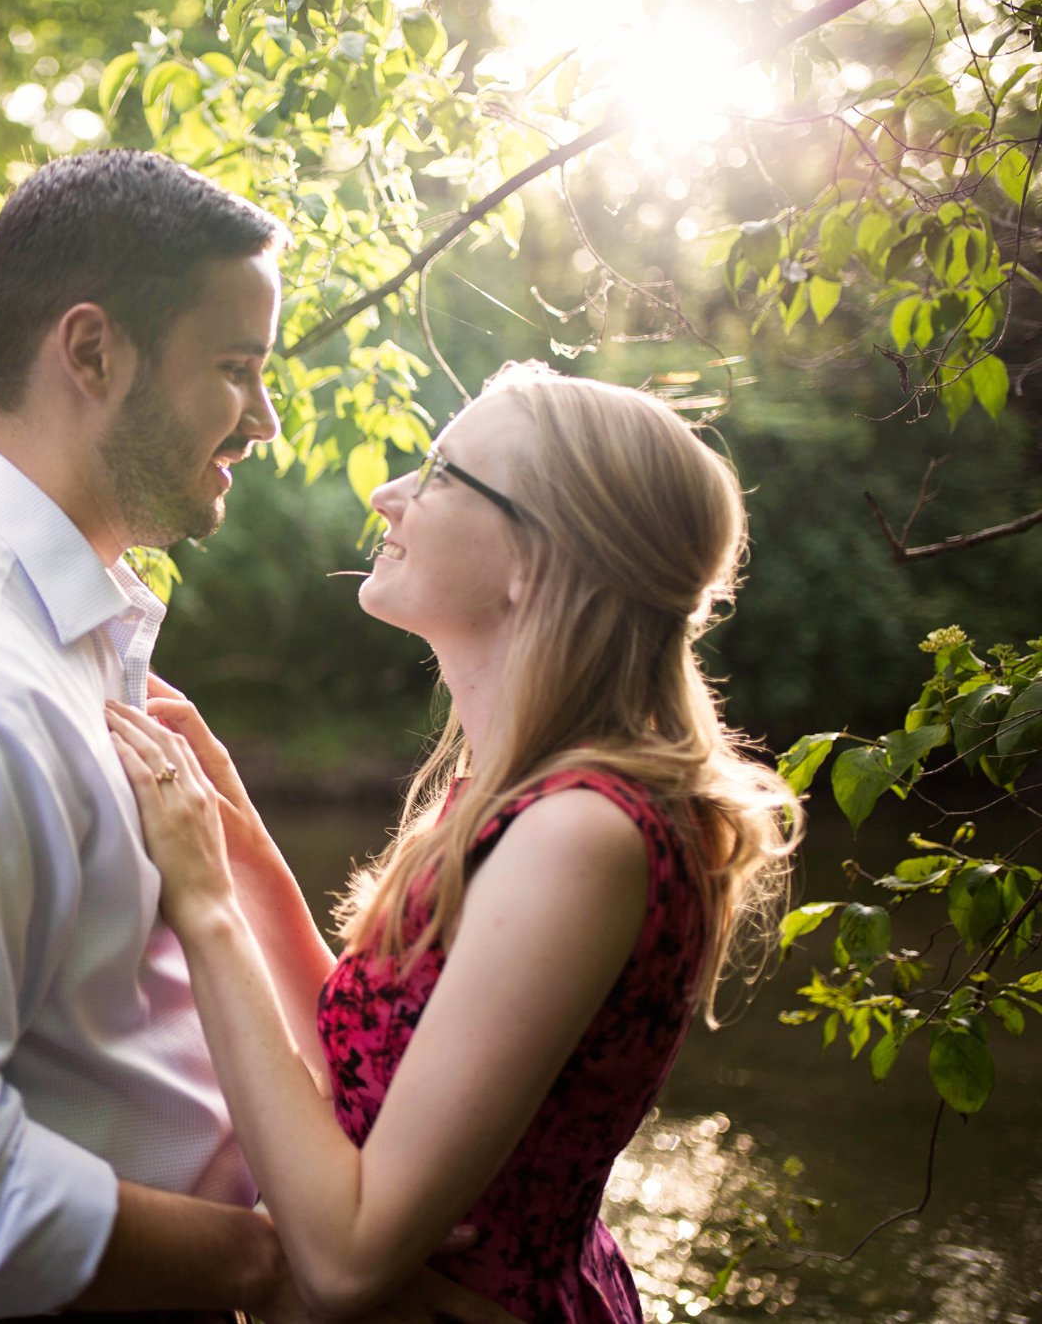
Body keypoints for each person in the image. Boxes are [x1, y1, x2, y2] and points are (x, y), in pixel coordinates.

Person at [0, 150, 522, 1324]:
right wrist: (274, 1263)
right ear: (92, 352)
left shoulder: (77, 632)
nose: (263, 418)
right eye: (233, 370)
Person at [104, 363, 801, 1322]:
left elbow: (345, 1260)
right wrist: (238, 834)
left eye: (439, 473)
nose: (389, 497)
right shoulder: (527, 797)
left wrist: (204, 902)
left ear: (538, 557)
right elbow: (374, 1071)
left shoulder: (582, 833)